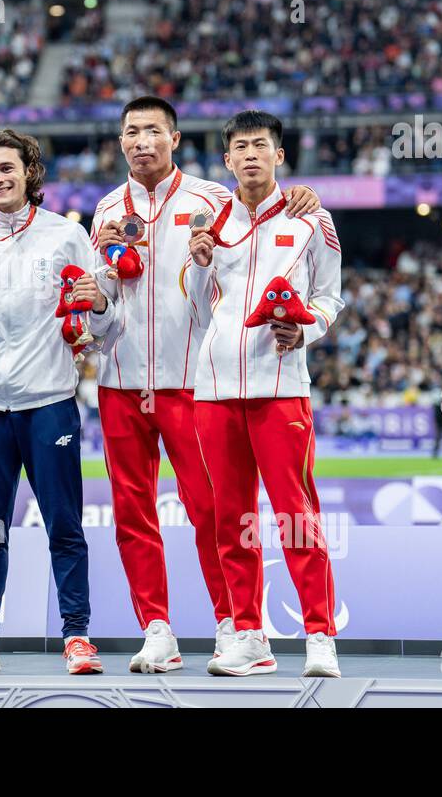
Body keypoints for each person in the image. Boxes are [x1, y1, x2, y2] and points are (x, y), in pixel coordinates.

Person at [91, 96, 319, 672]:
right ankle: (157, 630)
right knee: (132, 512)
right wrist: (92, 302)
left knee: (215, 512)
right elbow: (103, 303)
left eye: (152, 131)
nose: (141, 141)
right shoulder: (105, 210)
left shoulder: (213, 200)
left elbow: (265, 214)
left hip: (196, 381)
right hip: (120, 380)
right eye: (131, 132)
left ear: (174, 138)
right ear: (120, 142)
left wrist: (302, 195)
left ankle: (234, 625)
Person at [0, 129, 113, 676]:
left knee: (64, 525)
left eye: (6, 169)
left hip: (50, 404)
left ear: (29, 172)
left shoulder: (64, 235)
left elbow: (99, 318)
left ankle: (78, 635)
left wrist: (98, 304)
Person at [186, 109, 345, 679]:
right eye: (240, 148)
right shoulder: (209, 225)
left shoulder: (311, 220)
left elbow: (331, 297)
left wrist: (308, 328)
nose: (250, 155)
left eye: (261, 146)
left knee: (297, 517)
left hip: (281, 389)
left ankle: (321, 636)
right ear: (226, 160)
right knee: (230, 517)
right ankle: (249, 636)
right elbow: (202, 308)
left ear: (279, 155)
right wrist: (200, 265)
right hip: (214, 390)